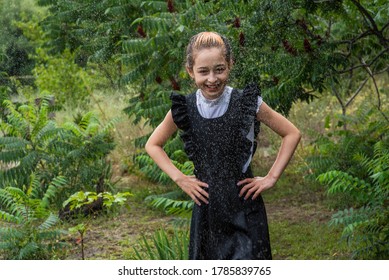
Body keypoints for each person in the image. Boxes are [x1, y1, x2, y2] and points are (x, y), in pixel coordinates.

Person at [145, 31, 301, 260]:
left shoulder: (247, 102)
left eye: (219, 69)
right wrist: (181, 179)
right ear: (190, 71)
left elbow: (291, 133)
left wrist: (271, 177)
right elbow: (153, 145)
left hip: (245, 209)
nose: (212, 79)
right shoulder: (185, 108)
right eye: (203, 71)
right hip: (206, 212)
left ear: (230, 64)